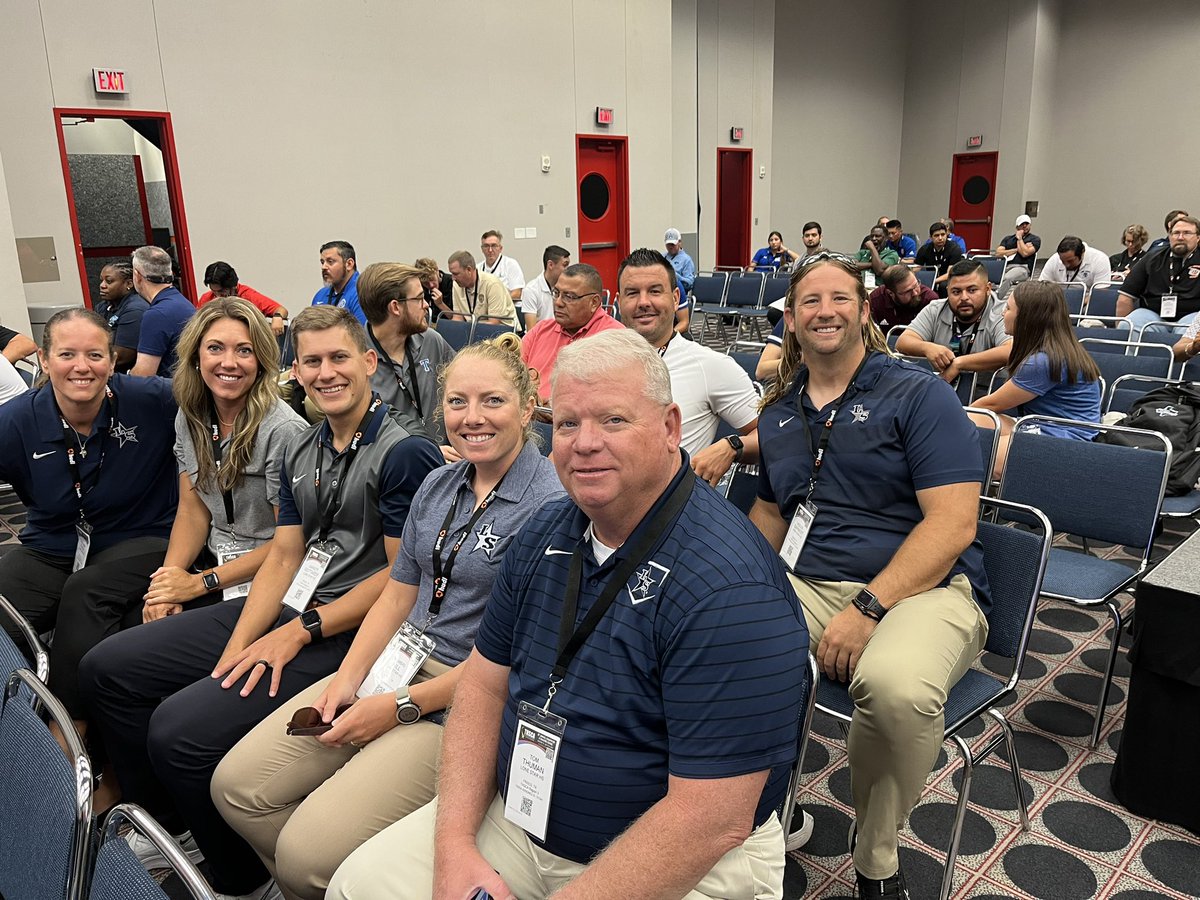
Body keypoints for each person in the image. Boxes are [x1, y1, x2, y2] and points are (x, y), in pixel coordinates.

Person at [326, 328, 808, 900]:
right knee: (358, 886)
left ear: (671, 427)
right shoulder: (545, 535)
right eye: (569, 423)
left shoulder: (729, 589)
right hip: (523, 818)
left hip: (684, 863)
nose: (584, 443)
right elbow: (483, 687)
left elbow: (710, 820)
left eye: (613, 420)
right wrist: (454, 846)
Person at [78, 305, 443, 900]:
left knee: (179, 731)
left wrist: (299, 631)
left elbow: (405, 579)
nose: (326, 373)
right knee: (106, 668)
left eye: (340, 359)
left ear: (369, 362)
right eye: (313, 361)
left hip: (354, 629)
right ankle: (175, 824)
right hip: (294, 606)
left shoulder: (403, 452)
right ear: (294, 370)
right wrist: (237, 645)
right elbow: (284, 556)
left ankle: (240, 879)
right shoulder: (307, 446)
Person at [212, 334, 565, 899]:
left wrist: (396, 708)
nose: (472, 418)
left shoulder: (551, 509)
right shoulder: (439, 483)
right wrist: (348, 684)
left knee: (305, 855)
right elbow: (399, 595)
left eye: (492, 402)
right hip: (394, 666)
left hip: (462, 699)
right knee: (235, 789)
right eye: (457, 402)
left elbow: (513, 660)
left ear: (528, 407)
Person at [750, 254, 988, 900]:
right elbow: (772, 511)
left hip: (924, 588)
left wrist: (869, 606)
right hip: (806, 581)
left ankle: (876, 857)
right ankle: (748, 814)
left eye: (839, 299)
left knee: (893, 691)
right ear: (791, 322)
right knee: (709, 647)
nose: (825, 311)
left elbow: (953, 525)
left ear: (863, 311)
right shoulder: (779, 410)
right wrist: (736, 589)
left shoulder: (917, 393)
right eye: (809, 303)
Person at [0, 308, 177, 745]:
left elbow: (219, 391)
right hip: (53, 542)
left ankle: (66, 734)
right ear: (43, 360)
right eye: (67, 354)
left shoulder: (151, 399)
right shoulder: (17, 420)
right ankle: (12, 725)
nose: (82, 366)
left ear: (112, 360)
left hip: (140, 537)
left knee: (85, 592)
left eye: (95, 354)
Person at [141, 298, 307, 627]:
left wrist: (196, 584)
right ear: (196, 356)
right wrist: (168, 585)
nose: (228, 362)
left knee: (131, 653)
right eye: (215, 348)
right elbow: (193, 509)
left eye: (244, 351)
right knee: (107, 601)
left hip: (267, 575)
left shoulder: (283, 430)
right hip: (212, 558)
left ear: (261, 360)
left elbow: (290, 546)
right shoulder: (191, 417)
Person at [618, 248, 761, 485]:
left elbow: (772, 436)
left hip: (671, 511)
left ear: (675, 298)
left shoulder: (710, 366)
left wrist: (732, 446)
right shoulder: (601, 364)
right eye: (632, 293)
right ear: (619, 300)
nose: (643, 302)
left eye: (654, 291)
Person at [968, 281, 1101, 479]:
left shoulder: (1042, 361)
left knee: (974, 450)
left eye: (1009, 308)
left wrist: (954, 423)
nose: (1003, 313)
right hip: (1043, 426)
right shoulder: (1053, 349)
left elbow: (990, 403)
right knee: (975, 421)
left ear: (1026, 318)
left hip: (1066, 439)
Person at [356, 261, 455, 449]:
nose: (426, 305)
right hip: (395, 469)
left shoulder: (431, 341)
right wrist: (424, 455)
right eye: (419, 298)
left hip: (448, 464)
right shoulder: (355, 361)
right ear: (395, 307)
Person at [896, 258, 1012, 385]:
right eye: (956, 292)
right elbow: (903, 342)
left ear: (988, 289)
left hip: (985, 393)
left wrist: (960, 363)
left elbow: (1010, 350)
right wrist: (927, 347)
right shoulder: (935, 309)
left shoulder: (1002, 313)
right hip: (941, 387)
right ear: (948, 291)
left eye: (972, 290)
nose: (964, 297)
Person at [522, 262, 623, 402]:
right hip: (528, 415)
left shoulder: (616, 338)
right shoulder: (540, 330)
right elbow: (511, 377)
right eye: (556, 293)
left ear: (594, 302)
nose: (558, 302)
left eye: (569, 297)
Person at [1117, 215, 1200, 333]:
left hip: (1192, 315)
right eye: (1176, 233)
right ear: (1170, 236)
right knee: (1129, 324)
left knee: (1190, 332)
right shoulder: (1152, 257)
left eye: (1187, 233)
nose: (1180, 237)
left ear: (1198, 237)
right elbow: (1125, 297)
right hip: (1154, 313)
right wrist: (1118, 332)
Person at [130, 245, 196, 377]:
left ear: (137, 276)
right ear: (170, 273)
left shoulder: (157, 315)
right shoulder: (184, 304)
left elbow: (143, 376)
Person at [198, 261, 289, 337]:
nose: (217, 296)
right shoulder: (206, 299)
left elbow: (281, 310)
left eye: (222, 292)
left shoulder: (248, 296)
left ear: (233, 286)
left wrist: (277, 317)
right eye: (214, 291)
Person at [95, 260, 148, 371]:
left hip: (127, 377)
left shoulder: (135, 309)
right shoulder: (103, 306)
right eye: (102, 281)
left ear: (128, 284)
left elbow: (122, 356)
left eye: (109, 281)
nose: (102, 286)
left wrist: (88, 361)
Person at [447, 251, 518, 325]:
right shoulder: (456, 284)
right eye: (451, 273)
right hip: (473, 329)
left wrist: (470, 328)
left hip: (504, 332)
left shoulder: (492, 284)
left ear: (469, 270)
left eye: (456, 274)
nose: (453, 278)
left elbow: (494, 323)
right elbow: (458, 317)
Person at [311, 240, 365, 325]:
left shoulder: (362, 292)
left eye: (330, 261)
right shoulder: (320, 295)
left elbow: (361, 336)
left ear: (349, 264)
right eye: (322, 262)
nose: (323, 267)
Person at [870, 264, 937, 331]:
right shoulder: (875, 300)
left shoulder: (930, 301)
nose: (915, 293)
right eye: (908, 291)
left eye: (916, 285)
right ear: (890, 293)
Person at [519, 245, 571, 331]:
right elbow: (531, 331)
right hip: (540, 338)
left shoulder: (568, 287)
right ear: (550, 265)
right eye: (565, 265)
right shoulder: (531, 290)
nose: (568, 270)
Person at [993, 215, 1042, 300]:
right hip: (1005, 266)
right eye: (1022, 224)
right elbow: (998, 253)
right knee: (986, 276)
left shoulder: (1035, 239)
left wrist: (1019, 239)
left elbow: (1025, 253)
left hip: (1022, 268)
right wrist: (1016, 249)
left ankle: (994, 300)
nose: (1024, 226)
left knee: (1007, 278)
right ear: (1017, 226)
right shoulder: (1008, 239)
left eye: (1027, 224)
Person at [1038, 236, 1112, 289]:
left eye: (1070, 261)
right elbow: (1042, 286)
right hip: (1060, 300)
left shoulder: (1099, 259)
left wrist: (1076, 302)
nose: (1066, 265)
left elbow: (1100, 292)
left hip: (1087, 301)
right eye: (1062, 261)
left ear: (1082, 253)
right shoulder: (1054, 259)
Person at [913, 221, 965, 295]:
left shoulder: (954, 249)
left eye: (943, 235)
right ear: (931, 237)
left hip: (949, 279)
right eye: (936, 235)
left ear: (947, 235)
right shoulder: (924, 249)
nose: (940, 238)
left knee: (943, 286)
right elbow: (916, 269)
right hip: (931, 278)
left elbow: (950, 274)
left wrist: (932, 281)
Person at [479, 230, 526, 302]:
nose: (490, 250)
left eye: (494, 246)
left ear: (500, 248)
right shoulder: (478, 268)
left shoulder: (511, 264)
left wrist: (498, 304)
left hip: (508, 308)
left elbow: (517, 293)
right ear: (482, 249)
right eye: (486, 246)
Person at [663, 227, 696, 298]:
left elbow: (689, 284)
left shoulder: (686, 260)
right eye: (668, 244)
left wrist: (675, 276)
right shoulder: (662, 257)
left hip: (678, 295)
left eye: (673, 244)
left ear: (679, 243)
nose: (670, 247)